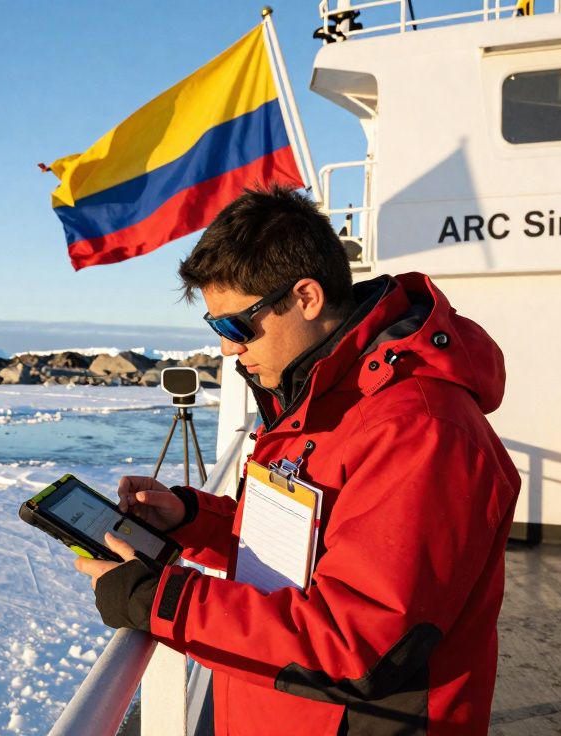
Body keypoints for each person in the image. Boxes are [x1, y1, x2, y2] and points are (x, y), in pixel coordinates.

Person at [73, 186, 520, 735]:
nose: (227, 349)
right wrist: (193, 519)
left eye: (234, 326)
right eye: (215, 328)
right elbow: (305, 547)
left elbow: (359, 644)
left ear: (306, 297)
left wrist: (160, 601)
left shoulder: (419, 430)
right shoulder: (320, 399)